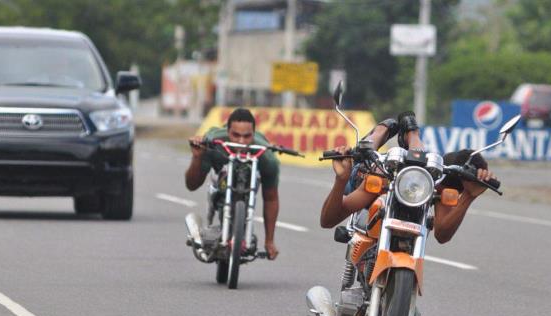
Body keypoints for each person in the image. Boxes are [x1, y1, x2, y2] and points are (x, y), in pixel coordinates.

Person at [319, 112, 496, 243]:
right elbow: (328, 221)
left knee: (410, 162)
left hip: (415, 167)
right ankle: (383, 133)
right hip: (369, 174)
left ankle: (411, 135)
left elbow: (442, 235)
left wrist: (469, 196)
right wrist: (340, 180)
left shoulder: (437, 189)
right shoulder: (383, 176)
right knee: (363, 158)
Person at [186, 108, 281, 259]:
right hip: (220, 177)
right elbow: (191, 185)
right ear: (228, 132)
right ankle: (213, 203)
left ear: (254, 134)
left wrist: (269, 241)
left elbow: (271, 198)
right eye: (236, 135)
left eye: (247, 136)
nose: (241, 142)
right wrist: (197, 157)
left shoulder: (267, 158)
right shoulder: (213, 145)